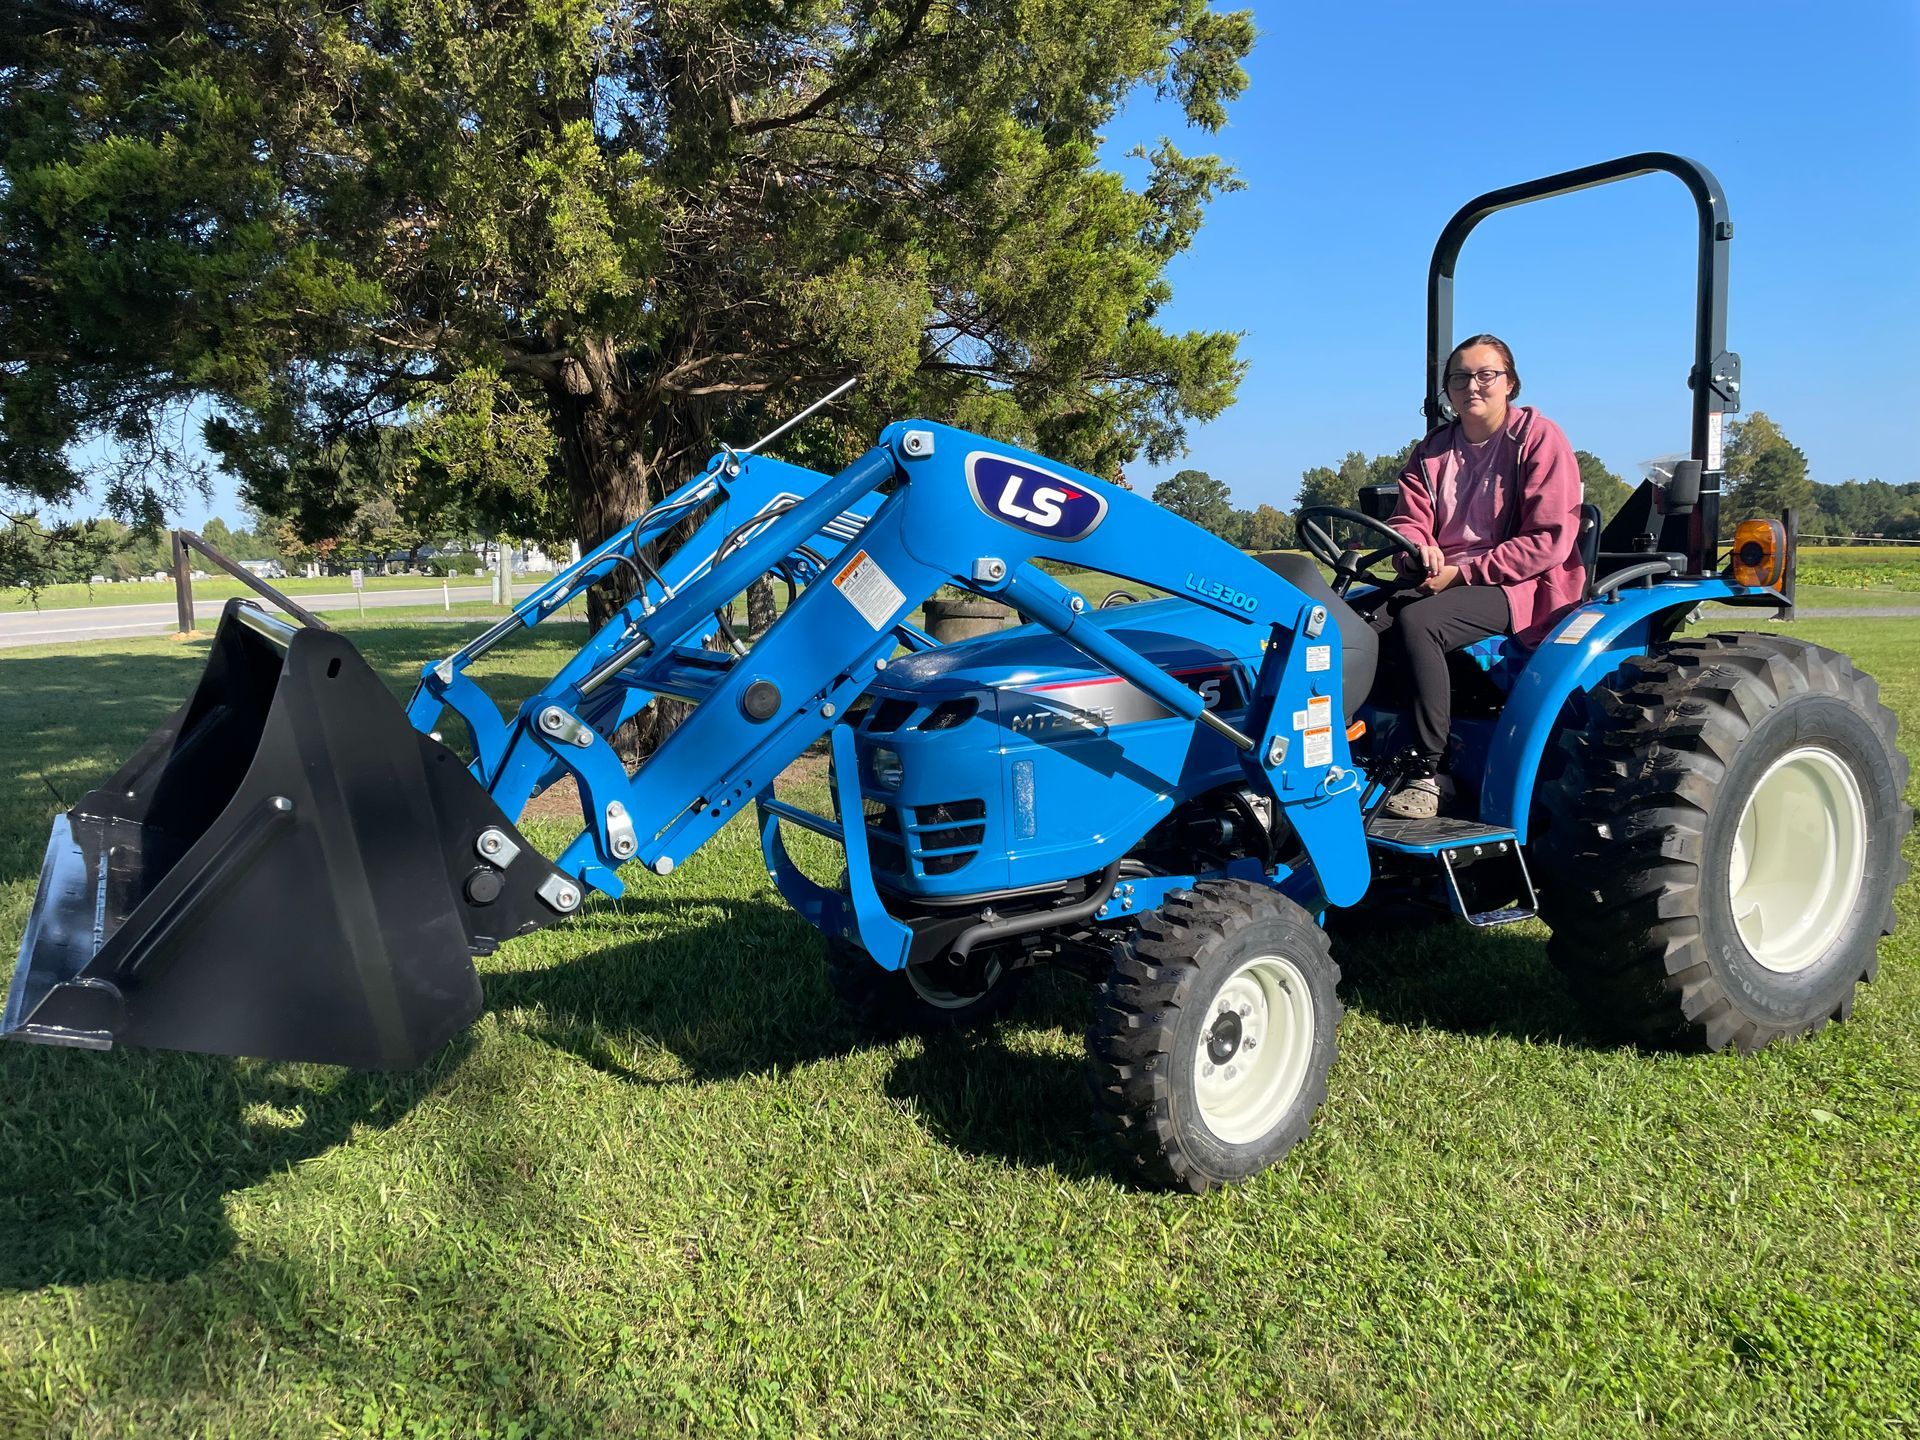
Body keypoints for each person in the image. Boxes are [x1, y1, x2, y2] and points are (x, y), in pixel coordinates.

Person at [1370, 334, 1586, 819]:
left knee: (1421, 624)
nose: (1473, 385)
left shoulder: (1537, 438)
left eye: (1486, 374)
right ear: (1448, 389)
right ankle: (1345, 753)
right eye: (1461, 376)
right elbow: (1409, 519)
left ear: (1509, 382)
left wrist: (1463, 574)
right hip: (1438, 577)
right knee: (1351, 628)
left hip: (1520, 584)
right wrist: (1416, 550)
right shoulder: (1432, 451)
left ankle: (1430, 772)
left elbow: (1548, 539)